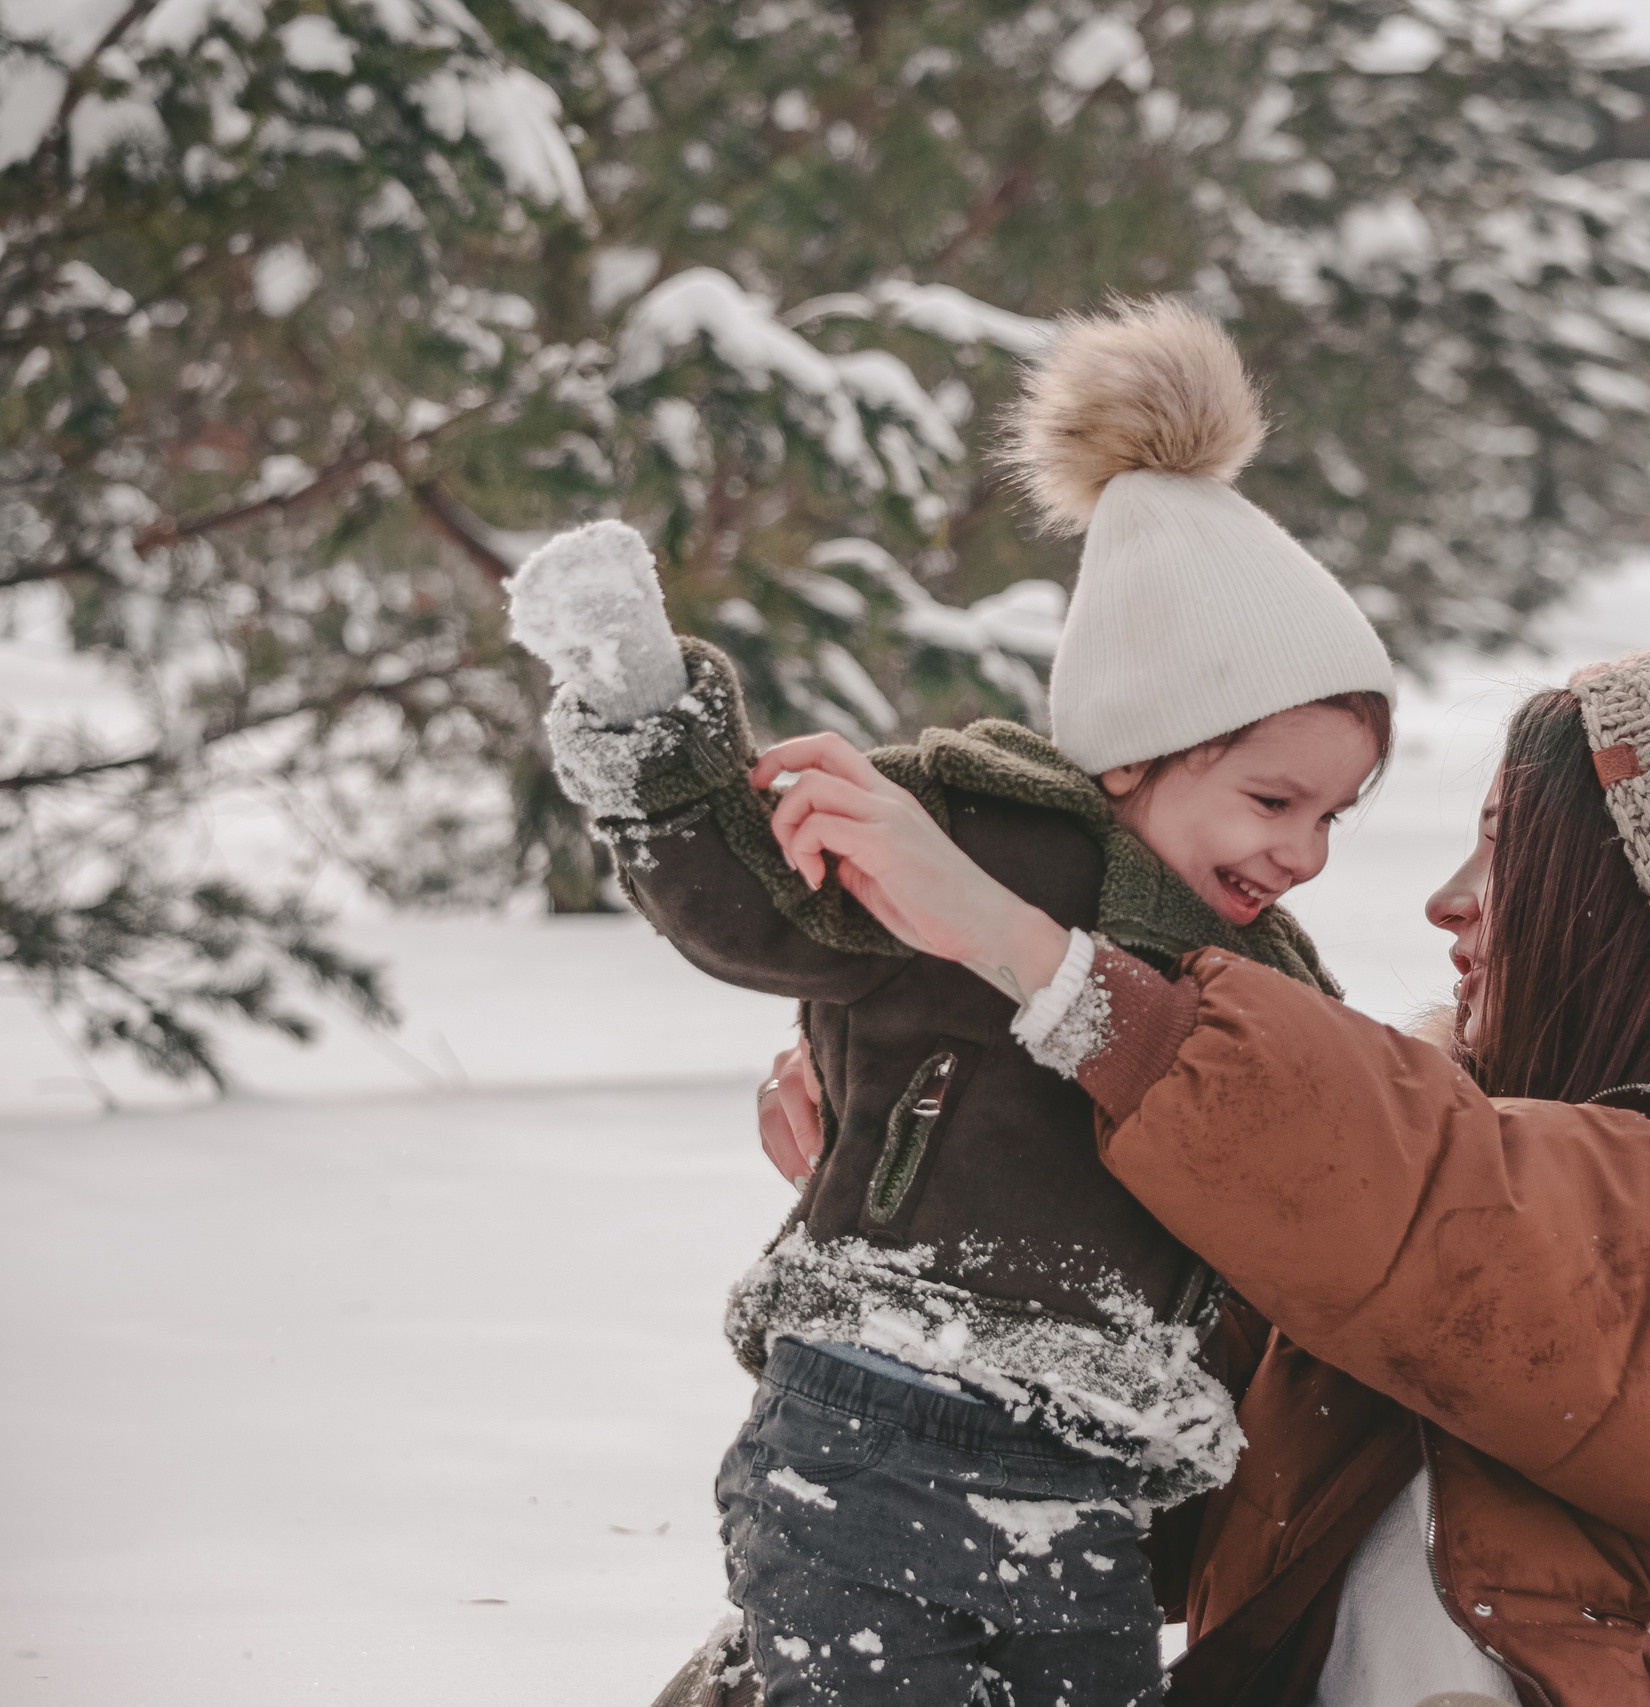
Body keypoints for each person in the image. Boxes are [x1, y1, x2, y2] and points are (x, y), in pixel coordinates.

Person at [739, 602, 1650, 1707]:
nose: (1447, 901)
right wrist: (966, 1230)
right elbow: (1186, 1505)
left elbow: (1447, 1207)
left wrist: (1035, 957)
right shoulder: (1471, 1232)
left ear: (1647, 906)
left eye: (1507, 854)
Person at [506, 298, 1399, 1707]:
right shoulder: (971, 834)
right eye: (1272, 799)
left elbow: (1321, 1148)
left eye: (1338, 816)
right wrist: (648, 715)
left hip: (1099, 1479)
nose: (1301, 851)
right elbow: (751, 906)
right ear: (1142, 748)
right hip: (874, 1419)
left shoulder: (1266, 975)